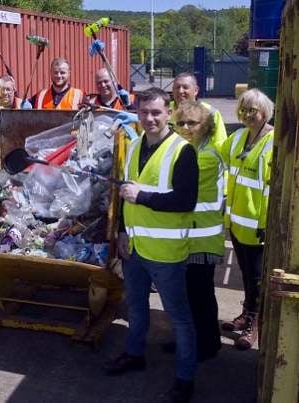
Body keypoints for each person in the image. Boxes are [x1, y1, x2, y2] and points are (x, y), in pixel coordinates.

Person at [104, 87, 198, 403]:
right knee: (135, 306)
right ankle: (134, 355)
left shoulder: (183, 151)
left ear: (168, 112)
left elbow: (186, 201)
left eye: (156, 112)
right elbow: (123, 196)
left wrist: (142, 197)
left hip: (166, 254)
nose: (150, 119)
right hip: (135, 249)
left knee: (179, 317)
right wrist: (120, 232)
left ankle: (185, 380)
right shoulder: (132, 147)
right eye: (144, 112)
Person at [220, 88, 274, 350]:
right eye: (243, 109)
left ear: (264, 111)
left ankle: (255, 321)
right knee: (246, 274)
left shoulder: (273, 142)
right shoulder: (238, 137)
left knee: (257, 277)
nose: (247, 114)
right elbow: (213, 154)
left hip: (258, 228)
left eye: (252, 110)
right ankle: (246, 312)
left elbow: (272, 189)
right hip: (237, 224)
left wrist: (267, 224)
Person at [173, 100, 225, 361]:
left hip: (201, 240)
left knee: (200, 295)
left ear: (205, 126)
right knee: (188, 295)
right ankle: (189, 340)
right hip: (189, 238)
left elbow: (171, 179)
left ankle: (207, 344)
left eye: (192, 123)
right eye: (180, 123)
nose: (185, 127)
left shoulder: (203, 157)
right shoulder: (190, 150)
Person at [170, 72, 227, 150]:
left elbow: (220, 144)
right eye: (177, 87)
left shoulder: (210, 112)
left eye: (185, 87)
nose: (180, 91)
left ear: (196, 90)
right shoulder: (163, 110)